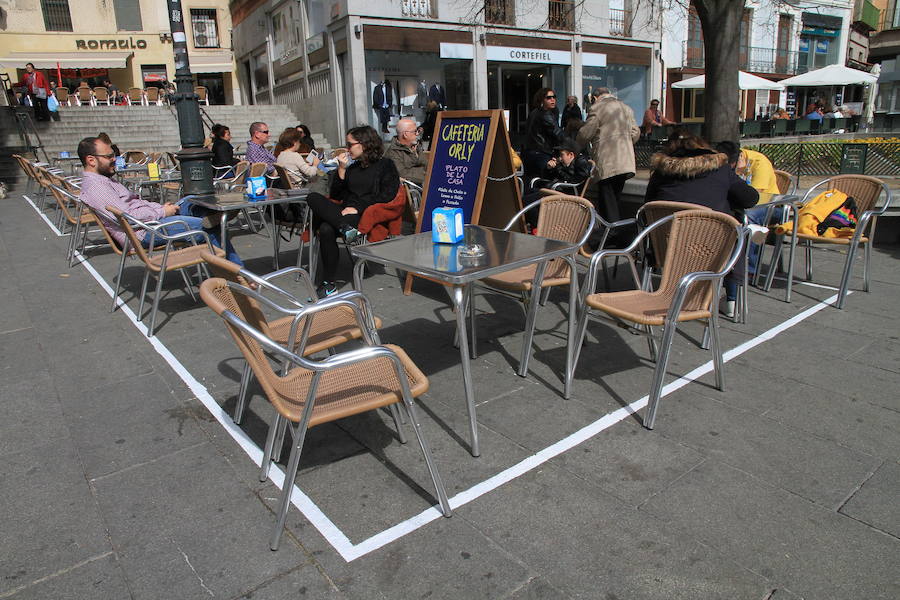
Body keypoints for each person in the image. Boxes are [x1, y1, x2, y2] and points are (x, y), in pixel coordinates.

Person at [644, 130, 759, 317]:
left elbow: (647, 206)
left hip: (667, 250)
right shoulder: (720, 169)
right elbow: (750, 198)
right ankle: (731, 298)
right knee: (736, 227)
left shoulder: (660, 172)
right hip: (711, 252)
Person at [76, 136, 242, 265]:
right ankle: (237, 273)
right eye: (109, 156)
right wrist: (162, 212)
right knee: (206, 228)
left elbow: (134, 204)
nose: (114, 159)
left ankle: (216, 213)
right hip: (143, 232)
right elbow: (127, 217)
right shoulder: (96, 187)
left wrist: (161, 208)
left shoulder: (102, 179)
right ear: (91, 160)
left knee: (192, 200)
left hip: (149, 222)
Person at [305, 125, 400, 297]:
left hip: (364, 213)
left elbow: (387, 195)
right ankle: (346, 232)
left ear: (365, 144)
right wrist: (341, 170)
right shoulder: (353, 167)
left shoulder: (385, 165)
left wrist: (357, 207)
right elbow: (336, 194)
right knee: (312, 197)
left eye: (350, 144)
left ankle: (328, 283)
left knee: (326, 228)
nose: (347, 149)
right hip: (343, 213)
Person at [577, 87, 640, 228]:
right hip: (625, 160)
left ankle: (613, 235)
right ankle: (614, 234)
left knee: (607, 201)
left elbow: (585, 134)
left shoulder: (597, 108)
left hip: (607, 161)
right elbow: (635, 133)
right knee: (615, 198)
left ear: (594, 98)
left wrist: (576, 146)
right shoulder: (626, 108)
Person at [522, 139, 593, 227]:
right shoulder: (564, 164)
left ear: (571, 155)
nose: (559, 158)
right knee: (526, 193)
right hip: (555, 189)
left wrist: (558, 169)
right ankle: (534, 225)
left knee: (527, 201)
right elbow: (549, 178)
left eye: (561, 155)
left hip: (565, 193)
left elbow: (575, 181)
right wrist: (549, 169)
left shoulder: (581, 163)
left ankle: (537, 227)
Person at [523, 87, 566, 184]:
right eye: (548, 97)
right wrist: (574, 146)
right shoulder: (545, 114)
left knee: (531, 183)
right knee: (545, 185)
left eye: (554, 97)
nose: (552, 99)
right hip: (541, 154)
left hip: (529, 154)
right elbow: (557, 134)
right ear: (542, 99)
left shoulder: (534, 113)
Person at [384, 118, 428, 186]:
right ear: (405, 134)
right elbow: (403, 174)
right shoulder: (392, 153)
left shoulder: (416, 146)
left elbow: (427, 166)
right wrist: (427, 173)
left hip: (422, 188)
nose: (417, 134)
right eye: (415, 131)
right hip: (409, 192)